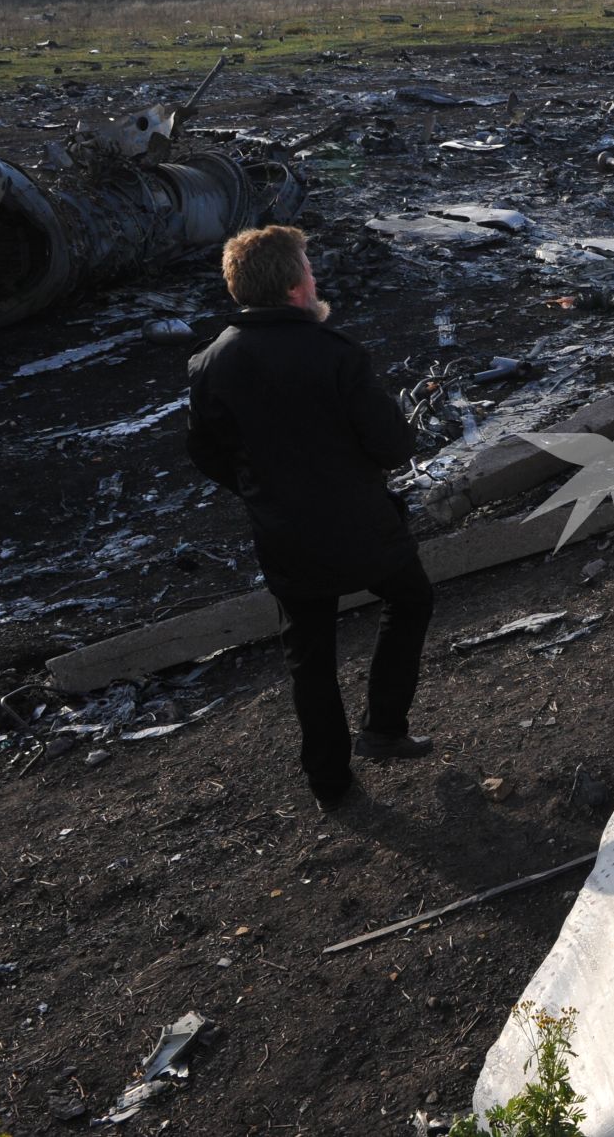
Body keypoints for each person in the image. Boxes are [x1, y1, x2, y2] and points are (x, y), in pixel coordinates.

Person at [186, 225, 434, 810]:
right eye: (309, 266)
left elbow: (205, 452)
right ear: (297, 286)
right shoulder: (336, 354)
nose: (315, 275)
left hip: (285, 534)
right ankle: (384, 727)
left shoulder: (209, 364)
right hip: (361, 524)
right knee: (411, 599)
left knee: (309, 654)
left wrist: (258, 491)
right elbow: (393, 447)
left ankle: (330, 783)